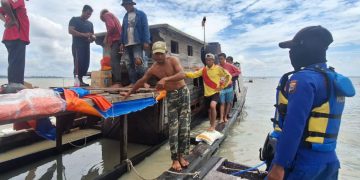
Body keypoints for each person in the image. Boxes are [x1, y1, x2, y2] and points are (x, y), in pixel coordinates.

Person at [266, 26, 355, 180]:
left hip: (302, 163)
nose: (291, 53)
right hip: (329, 162)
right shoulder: (332, 78)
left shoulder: (302, 79)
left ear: (304, 48)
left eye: (293, 48)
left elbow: (293, 127)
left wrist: (279, 165)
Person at [122, 41, 191, 171]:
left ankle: (182, 156)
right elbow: (141, 81)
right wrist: (129, 92)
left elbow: (183, 74)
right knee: (173, 128)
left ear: (165, 52)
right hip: (171, 96)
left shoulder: (173, 60)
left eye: (161, 53)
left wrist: (165, 79)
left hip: (183, 93)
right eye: (156, 54)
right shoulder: (153, 68)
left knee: (184, 127)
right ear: (152, 55)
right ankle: (175, 159)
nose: (159, 56)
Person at [185, 53, 231, 131]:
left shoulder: (218, 68)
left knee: (213, 106)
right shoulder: (203, 70)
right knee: (209, 110)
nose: (208, 61)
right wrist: (184, 74)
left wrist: (222, 86)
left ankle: (213, 126)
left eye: (210, 60)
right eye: (207, 60)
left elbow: (228, 76)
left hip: (215, 92)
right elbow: (194, 75)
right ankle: (211, 125)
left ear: (213, 60)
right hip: (207, 93)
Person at [120, 0, 151, 88]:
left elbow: (145, 27)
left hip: (138, 42)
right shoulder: (125, 16)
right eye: (124, 6)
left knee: (139, 62)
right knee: (129, 64)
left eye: (127, 5)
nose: (126, 7)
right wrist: (121, 42)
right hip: (127, 43)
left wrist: (146, 41)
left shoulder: (141, 14)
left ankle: (143, 82)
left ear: (131, 4)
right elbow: (123, 30)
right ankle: (133, 83)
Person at [0, 0, 29, 85]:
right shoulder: (19, 0)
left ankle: (14, 85)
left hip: (14, 37)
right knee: (17, 64)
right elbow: (4, 2)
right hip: (17, 36)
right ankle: (15, 86)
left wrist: (6, 20)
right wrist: (12, 19)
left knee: (14, 62)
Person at [68, 5, 95, 87]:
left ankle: (81, 80)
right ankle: (77, 81)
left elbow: (92, 35)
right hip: (77, 46)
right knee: (78, 63)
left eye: (90, 14)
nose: (88, 16)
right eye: (87, 13)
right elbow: (70, 30)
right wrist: (83, 35)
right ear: (83, 11)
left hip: (86, 46)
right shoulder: (74, 19)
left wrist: (92, 38)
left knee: (85, 63)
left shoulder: (90, 24)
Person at [100, 9, 123, 88]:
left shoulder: (106, 15)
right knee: (116, 61)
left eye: (104, 21)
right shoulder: (113, 16)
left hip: (116, 41)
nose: (105, 22)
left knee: (114, 61)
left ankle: (117, 82)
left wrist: (106, 37)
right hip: (119, 41)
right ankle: (117, 82)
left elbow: (111, 26)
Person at [218, 53, 240, 123]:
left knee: (228, 103)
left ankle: (225, 117)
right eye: (219, 59)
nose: (220, 60)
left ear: (225, 59)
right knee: (222, 103)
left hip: (229, 87)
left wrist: (230, 75)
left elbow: (238, 71)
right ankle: (221, 118)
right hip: (221, 88)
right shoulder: (217, 67)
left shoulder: (230, 65)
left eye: (221, 59)